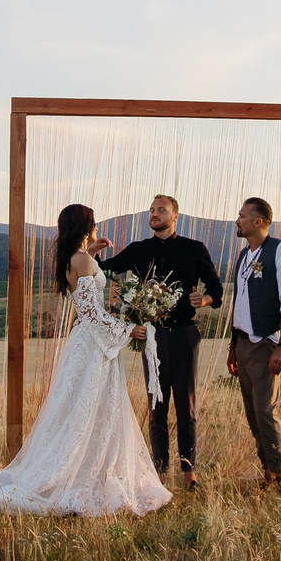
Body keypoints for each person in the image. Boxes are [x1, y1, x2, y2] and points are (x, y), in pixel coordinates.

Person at [0, 203, 172, 518]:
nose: (97, 228)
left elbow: (86, 287)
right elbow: (94, 314)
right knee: (88, 410)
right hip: (93, 344)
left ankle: (91, 468)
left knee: (85, 410)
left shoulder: (74, 257)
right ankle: (82, 473)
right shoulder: (82, 260)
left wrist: (94, 252)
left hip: (86, 343)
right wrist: (130, 329)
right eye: (94, 224)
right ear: (87, 226)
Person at [98, 193, 224, 487]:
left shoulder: (194, 248)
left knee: (186, 405)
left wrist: (203, 300)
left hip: (184, 335)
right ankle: (159, 472)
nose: (154, 214)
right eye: (152, 210)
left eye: (161, 210)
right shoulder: (139, 250)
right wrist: (89, 252)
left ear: (175, 216)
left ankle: (189, 472)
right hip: (151, 336)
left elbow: (216, 288)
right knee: (156, 405)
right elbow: (104, 271)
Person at [226, 195, 281, 493]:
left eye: (243, 216)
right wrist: (233, 347)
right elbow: (240, 303)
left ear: (258, 222)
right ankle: (268, 472)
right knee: (252, 412)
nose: (238, 220)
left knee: (265, 411)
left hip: (267, 343)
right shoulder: (245, 256)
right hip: (244, 342)